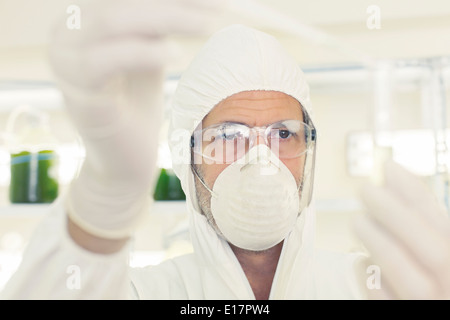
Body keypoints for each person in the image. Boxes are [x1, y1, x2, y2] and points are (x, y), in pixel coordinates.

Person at [1, 0, 449, 300]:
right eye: (230, 136)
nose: (262, 160)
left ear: (309, 152)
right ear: (187, 158)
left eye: (283, 134)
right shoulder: (144, 292)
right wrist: (102, 204)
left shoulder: (370, 287)